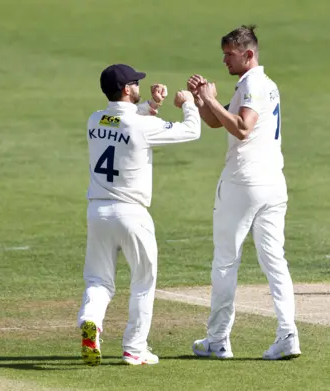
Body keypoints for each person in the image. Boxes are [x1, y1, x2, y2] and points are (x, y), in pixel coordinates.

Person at [187, 25, 301, 360]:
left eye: (229, 54)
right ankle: (287, 335)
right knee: (274, 261)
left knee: (225, 260)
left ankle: (218, 339)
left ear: (248, 54)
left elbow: (241, 127)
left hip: (243, 183)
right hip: (272, 184)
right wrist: (201, 100)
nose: (224, 60)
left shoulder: (252, 84)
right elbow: (216, 122)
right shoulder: (261, 83)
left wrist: (209, 99)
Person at [77, 63, 201, 366]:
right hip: (132, 213)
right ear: (125, 89)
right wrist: (188, 105)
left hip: (98, 212)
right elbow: (191, 131)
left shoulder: (96, 119)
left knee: (99, 280)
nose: (138, 86)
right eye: (135, 83)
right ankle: (134, 348)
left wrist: (153, 104)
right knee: (143, 281)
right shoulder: (138, 126)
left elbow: (123, 121)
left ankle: (90, 320)